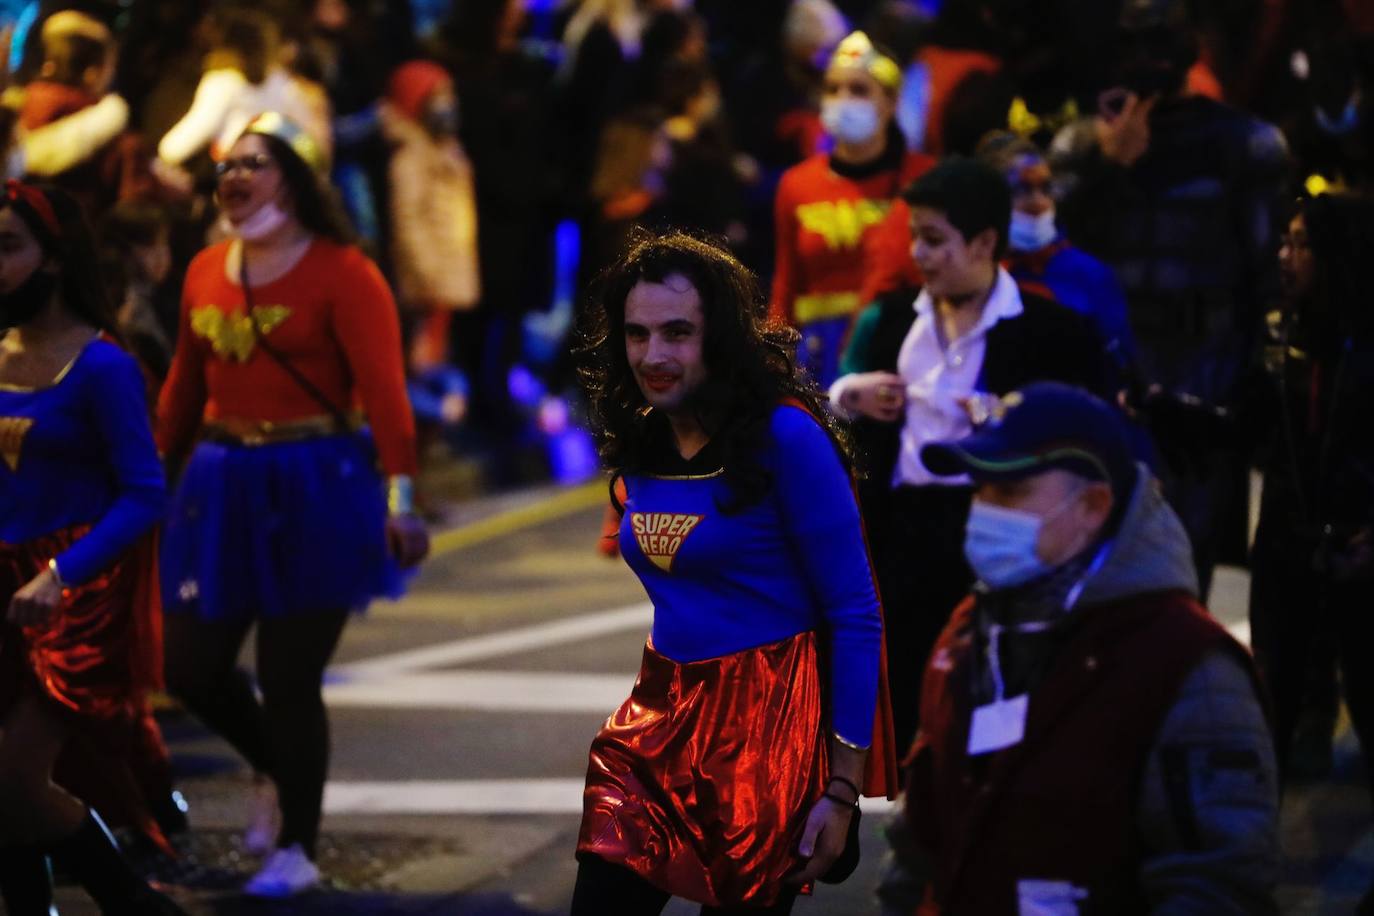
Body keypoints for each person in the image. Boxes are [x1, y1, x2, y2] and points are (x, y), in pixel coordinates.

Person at [572, 230, 896, 914]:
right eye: (636, 334)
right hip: (655, 719)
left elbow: (855, 611)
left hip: (766, 726)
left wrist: (841, 788)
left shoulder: (786, 436)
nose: (653, 355)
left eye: (677, 332)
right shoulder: (640, 430)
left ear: (720, 335)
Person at [155, 113, 429, 898]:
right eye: (226, 166)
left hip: (317, 486)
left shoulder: (346, 272)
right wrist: (147, 480)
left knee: (289, 673)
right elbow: (182, 389)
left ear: (297, 178)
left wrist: (402, 499)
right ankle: (277, 764)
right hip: (219, 482)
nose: (234, 177)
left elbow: (386, 397)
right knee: (191, 667)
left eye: (255, 163)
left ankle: (297, 848)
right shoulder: (206, 267)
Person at [882, 382, 1279, 915]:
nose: (983, 511)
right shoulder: (968, 635)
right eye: (978, 490)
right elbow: (919, 851)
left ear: (1093, 505)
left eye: (1010, 492)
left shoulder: (1188, 665)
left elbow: (1217, 887)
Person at [830, 156, 1108, 753]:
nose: (920, 255)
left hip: (994, 529)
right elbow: (830, 398)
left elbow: (1091, 429)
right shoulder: (889, 320)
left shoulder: (1052, 332)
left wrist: (1014, 414)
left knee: (992, 693)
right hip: (902, 532)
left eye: (935, 241)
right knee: (907, 693)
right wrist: (849, 396)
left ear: (985, 241)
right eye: (914, 239)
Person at [1050, 0, 1289, 595]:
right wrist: (1110, 167)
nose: (1146, 50)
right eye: (1133, 34)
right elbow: (1054, 258)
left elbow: (1271, 280)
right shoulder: (1084, 146)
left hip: (1205, 378)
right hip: (1113, 376)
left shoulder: (1245, 144)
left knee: (1184, 566)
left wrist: (1255, 393)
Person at [0, 180, 185, 914]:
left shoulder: (104, 365)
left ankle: (137, 902)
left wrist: (57, 575)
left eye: (9, 247)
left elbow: (146, 492)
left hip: (73, 600)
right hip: (4, 591)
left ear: (51, 260)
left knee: (12, 782)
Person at [1246, 194, 1374, 911]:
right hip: (1289, 555)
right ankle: (1250, 866)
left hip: (1360, 558)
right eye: (1285, 242)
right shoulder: (1277, 336)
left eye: (1302, 245)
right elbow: (1246, 427)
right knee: (1270, 707)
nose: (1285, 258)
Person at [770, 30, 933, 387]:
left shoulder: (924, 179)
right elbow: (786, 283)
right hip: (817, 354)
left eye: (859, 90)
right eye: (833, 89)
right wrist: (773, 359)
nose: (843, 99)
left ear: (890, 102)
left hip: (901, 343)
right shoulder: (796, 184)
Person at [975, 130, 1136, 379]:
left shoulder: (1089, 275)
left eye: (1046, 189)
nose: (1039, 203)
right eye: (1022, 190)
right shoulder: (971, 276)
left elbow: (1121, 367)